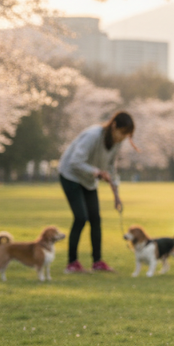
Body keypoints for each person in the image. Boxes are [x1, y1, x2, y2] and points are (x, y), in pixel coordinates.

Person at [58, 111, 134, 273]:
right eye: (122, 133)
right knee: (81, 217)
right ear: (114, 126)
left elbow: (111, 168)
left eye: (126, 135)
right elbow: (75, 162)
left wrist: (116, 194)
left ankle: (97, 262)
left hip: (88, 180)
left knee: (95, 219)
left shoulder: (116, 142)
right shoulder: (93, 135)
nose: (122, 138)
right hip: (70, 175)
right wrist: (97, 172)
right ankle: (72, 263)